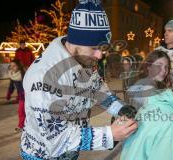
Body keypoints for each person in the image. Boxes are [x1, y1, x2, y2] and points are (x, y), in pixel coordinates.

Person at [20, 1, 137, 159]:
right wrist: (110, 134)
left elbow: (98, 90)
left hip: (71, 151)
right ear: (76, 41)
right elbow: (55, 140)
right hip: (42, 155)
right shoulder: (43, 78)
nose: (100, 55)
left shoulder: (84, 60)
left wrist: (119, 108)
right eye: (95, 48)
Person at [6, 59, 26, 132]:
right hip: (21, 96)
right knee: (21, 111)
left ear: (18, 66)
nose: (12, 67)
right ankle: (21, 126)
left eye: (14, 66)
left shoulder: (23, 73)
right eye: (11, 66)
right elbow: (11, 85)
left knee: (24, 111)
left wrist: (24, 92)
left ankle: (24, 126)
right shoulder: (12, 75)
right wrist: (9, 93)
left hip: (27, 95)